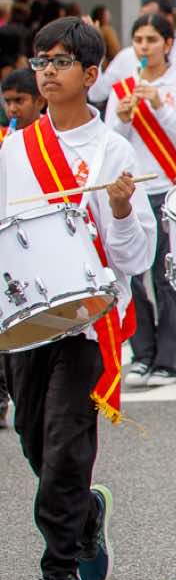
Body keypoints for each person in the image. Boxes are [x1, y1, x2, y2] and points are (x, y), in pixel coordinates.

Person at [2, 18, 156, 580]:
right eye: (40, 61)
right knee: (33, 438)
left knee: (66, 444)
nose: (46, 71)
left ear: (91, 75)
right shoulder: (16, 147)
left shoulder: (113, 151)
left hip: (87, 319)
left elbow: (133, 258)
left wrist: (120, 210)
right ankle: (86, 514)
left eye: (60, 61)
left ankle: (59, 574)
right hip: (26, 319)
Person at [104, 12, 176, 389]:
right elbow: (109, 145)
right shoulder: (122, 87)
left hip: (171, 187)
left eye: (151, 39)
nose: (144, 47)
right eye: (138, 40)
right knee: (131, 276)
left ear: (168, 44)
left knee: (168, 277)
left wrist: (161, 107)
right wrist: (122, 118)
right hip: (134, 191)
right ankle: (142, 353)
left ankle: (169, 361)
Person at [0, 63, 45, 428]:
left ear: (38, 101)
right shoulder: (6, 140)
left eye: (20, 101)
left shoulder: (47, 142)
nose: (13, 109)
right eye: (8, 102)